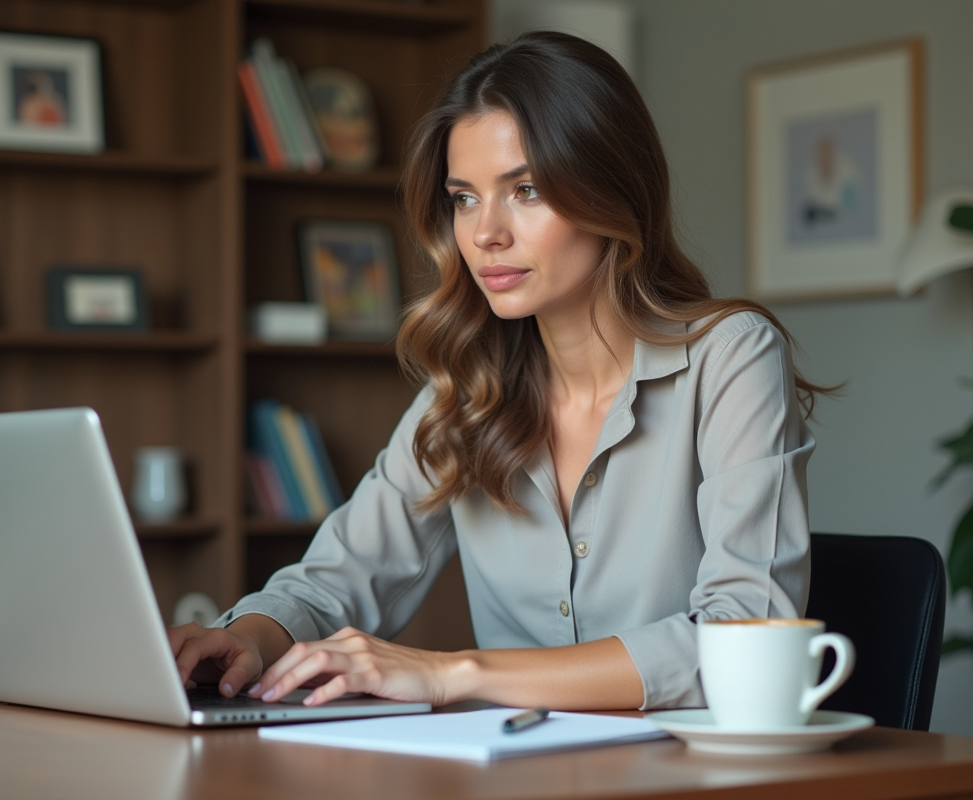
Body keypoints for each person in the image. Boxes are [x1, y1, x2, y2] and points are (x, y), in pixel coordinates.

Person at [169, 31, 825, 712]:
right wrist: (245, 639)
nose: (486, 233)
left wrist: (457, 673)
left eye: (527, 189)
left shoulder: (731, 357)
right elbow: (334, 580)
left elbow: (745, 636)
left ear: (613, 190)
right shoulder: (465, 390)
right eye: (465, 197)